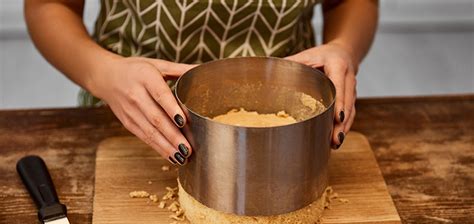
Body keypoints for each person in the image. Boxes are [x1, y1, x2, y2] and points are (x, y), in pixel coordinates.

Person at [25, 0, 378, 165]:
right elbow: (48, 6)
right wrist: (100, 72)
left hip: (290, 123)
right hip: (131, 117)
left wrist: (343, 46)